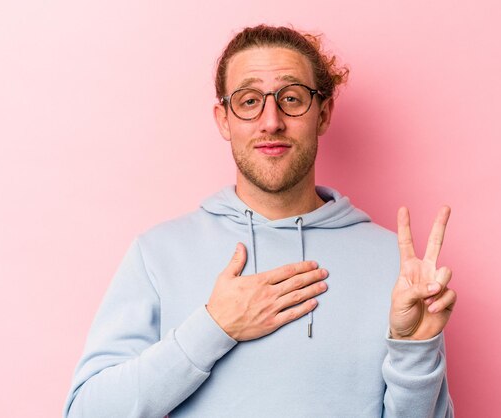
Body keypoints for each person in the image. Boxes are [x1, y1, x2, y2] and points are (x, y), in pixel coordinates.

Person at [64, 25, 457, 417]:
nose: (271, 121)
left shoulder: (394, 262)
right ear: (224, 120)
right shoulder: (158, 253)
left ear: (323, 114)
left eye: (291, 98)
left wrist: (415, 351)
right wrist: (215, 327)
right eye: (249, 101)